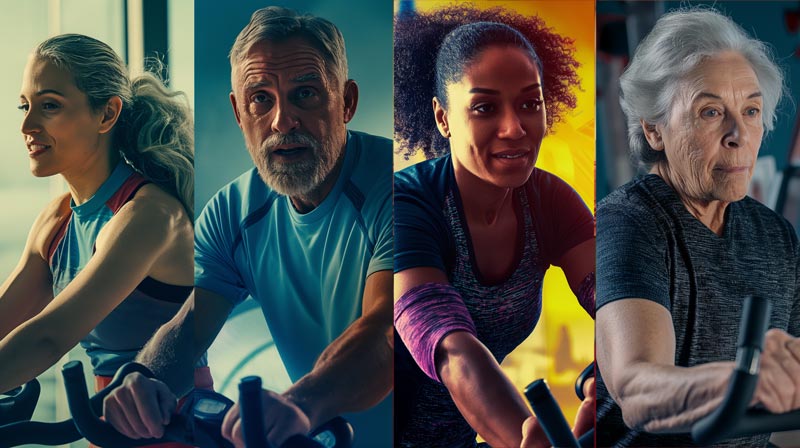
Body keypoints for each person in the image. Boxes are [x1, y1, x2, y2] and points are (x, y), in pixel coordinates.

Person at [102, 6, 393, 448]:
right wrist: (144, 378)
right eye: (261, 99)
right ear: (239, 112)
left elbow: (388, 331)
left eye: (306, 94)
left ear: (347, 102)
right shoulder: (231, 212)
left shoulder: (397, 188)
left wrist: (299, 403)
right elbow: (189, 325)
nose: (282, 121)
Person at [595, 8, 800, 447]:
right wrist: (743, 381)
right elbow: (636, 386)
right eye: (710, 112)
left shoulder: (776, 236)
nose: (738, 134)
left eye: (750, 111)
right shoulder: (628, 222)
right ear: (654, 130)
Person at [393, 6, 596, 447]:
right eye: (485, 107)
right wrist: (528, 434)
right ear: (443, 117)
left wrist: (625, 365)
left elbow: (619, 300)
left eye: (529, 104)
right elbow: (451, 351)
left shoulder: (551, 201)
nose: (514, 128)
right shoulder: (405, 207)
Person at [0, 34, 198, 447]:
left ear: (107, 114)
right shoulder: (55, 220)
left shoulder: (148, 216)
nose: (26, 125)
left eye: (49, 105)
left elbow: (48, 337)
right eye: (25, 105)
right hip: (106, 428)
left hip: (174, 426)